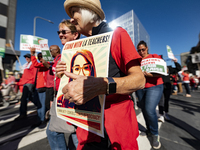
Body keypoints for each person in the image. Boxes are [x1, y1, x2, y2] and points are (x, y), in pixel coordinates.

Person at [56, 1, 145, 149]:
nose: (71, 19)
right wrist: (63, 74)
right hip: (87, 125)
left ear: (89, 12)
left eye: (74, 13)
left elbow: (139, 80)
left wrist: (102, 85)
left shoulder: (117, 34)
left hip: (117, 125)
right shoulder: (79, 47)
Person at [45, 20, 80, 150]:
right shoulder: (62, 55)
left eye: (64, 31)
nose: (60, 34)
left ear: (75, 35)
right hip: (59, 97)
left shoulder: (78, 51)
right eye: (59, 32)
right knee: (54, 132)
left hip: (72, 98)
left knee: (75, 135)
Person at [135, 40, 163, 149]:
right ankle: (149, 130)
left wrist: (150, 74)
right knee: (144, 109)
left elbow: (162, 70)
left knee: (150, 109)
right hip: (141, 87)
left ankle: (155, 134)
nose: (141, 52)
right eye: (139, 50)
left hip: (154, 86)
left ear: (147, 48)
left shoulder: (154, 56)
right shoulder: (137, 60)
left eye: (143, 49)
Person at [15, 53, 38, 120]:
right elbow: (24, 76)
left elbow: (34, 74)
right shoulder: (25, 66)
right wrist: (19, 83)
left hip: (30, 83)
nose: (26, 58)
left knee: (24, 99)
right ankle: (41, 108)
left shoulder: (33, 64)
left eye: (28, 57)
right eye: (25, 57)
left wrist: (33, 83)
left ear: (31, 57)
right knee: (31, 97)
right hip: (25, 83)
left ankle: (23, 114)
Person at [158, 58, 181, 122]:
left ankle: (166, 113)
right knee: (161, 101)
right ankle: (161, 115)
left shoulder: (168, 68)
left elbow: (178, 69)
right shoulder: (157, 68)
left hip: (167, 86)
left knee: (166, 101)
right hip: (160, 86)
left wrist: (176, 62)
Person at [31, 51, 49, 126]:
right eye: (39, 56)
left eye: (41, 56)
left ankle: (42, 119)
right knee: (39, 104)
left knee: (42, 104)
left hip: (43, 87)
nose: (40, 58)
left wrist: (32, 55)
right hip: (37, 87)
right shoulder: (40, 65)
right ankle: (41, 118)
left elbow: (35, 64)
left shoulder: (45, 64)